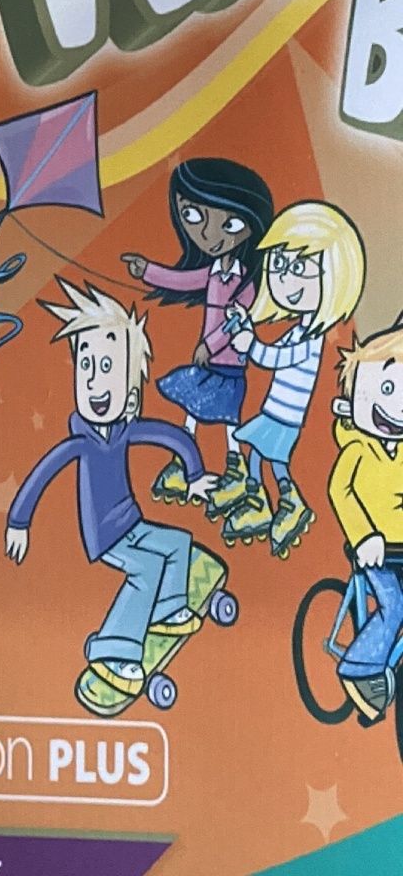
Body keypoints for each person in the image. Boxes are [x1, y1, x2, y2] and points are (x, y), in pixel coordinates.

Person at [5, 280, 216, 697]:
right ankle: (112, 648)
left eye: (107, 367)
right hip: (105, 537)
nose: (94, 381)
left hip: (132, 524)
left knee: (178, 543)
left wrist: (194, 475)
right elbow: (43, 473)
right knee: (147, 569)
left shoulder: (125, 430)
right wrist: (18, 521)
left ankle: (167, 609)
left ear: (132, 391)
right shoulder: (81, 443)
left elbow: (172, 437)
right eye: (86, 366)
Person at [121, 158, 273, 502]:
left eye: (230, 223)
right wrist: (146, 271)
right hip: (209, 361)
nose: (208, 235)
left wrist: (210, 345)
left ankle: (236, 468)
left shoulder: (246, 282)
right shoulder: (214, 270)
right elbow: (182, 280)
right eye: (192, 215)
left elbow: (236, 324)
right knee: (193, 408)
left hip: (229, 363)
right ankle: (183, 460)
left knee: (227, 418)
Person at [221, 201, 365, 555]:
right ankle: (263, 502)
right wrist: (246, 325)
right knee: (260, 456)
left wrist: (252, 345)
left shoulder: (311, 339)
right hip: (275, 410)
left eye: (300, 268)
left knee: (271, 459)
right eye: (279, 266)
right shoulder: (297, 330)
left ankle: (287, 503)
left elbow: (277, 358)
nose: (285, 279)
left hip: (286, 416)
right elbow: (274, 350)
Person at [328, 324, 403, 722]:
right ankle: (357, 668)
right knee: (394, 605)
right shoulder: (358, 448)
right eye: (387, 389)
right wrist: (364, 536)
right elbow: (340, 492)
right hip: (374, 550)